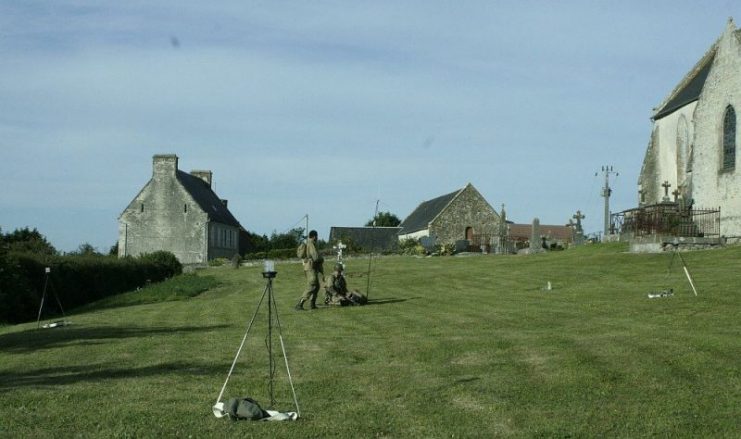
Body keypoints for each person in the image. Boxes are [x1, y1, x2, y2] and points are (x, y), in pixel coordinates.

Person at [295, 230, 324, 310]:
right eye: (317, 236)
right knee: (312, 285)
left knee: (317, 286)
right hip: (310, 267)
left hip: (311, 267)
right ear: (314, 236)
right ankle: (300, 303)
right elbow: (315, 256)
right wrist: (321, 259)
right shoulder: (311, 243)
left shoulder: (310, 243)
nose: (317, 238)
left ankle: (312, 303)